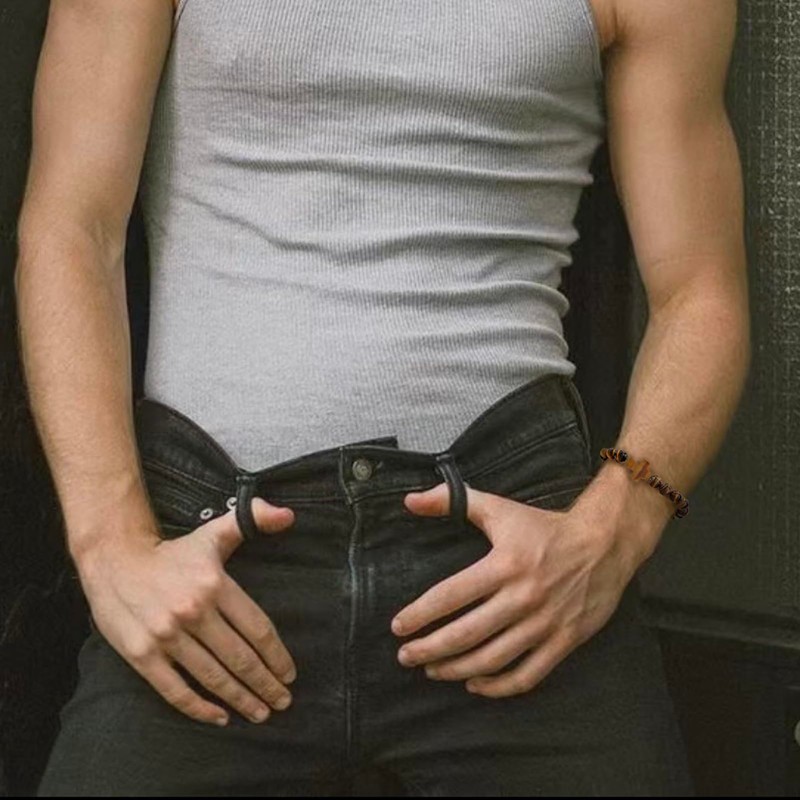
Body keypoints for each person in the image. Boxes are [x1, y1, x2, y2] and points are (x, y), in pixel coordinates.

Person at [16, 0, 748, 795]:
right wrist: (111, 547)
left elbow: (700, 293)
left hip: (512, 563)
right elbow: (71, 229)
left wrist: (618, 529)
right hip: (210, 561)